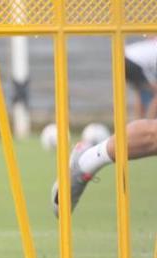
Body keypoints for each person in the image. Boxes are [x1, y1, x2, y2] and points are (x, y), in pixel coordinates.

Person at [52, 37, 157, 216]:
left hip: (127, 57)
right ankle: (86, 160)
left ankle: (140, 124)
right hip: (129, 58)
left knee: (145, 95)